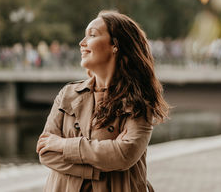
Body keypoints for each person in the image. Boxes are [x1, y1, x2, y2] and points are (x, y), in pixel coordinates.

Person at [36, 10, 170, 192]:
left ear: (115, 45)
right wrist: (105, 160)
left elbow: (124, 154)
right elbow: (46, 153)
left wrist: (62, 145)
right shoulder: (67, 94)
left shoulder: (138, 100)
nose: (82, 43)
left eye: (91, 35)